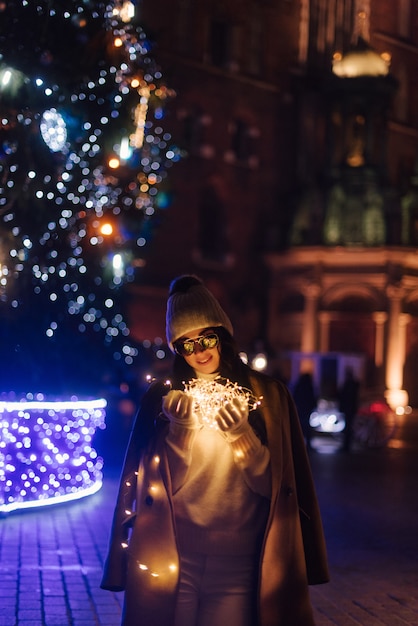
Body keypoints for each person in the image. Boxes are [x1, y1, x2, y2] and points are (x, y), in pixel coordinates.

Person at [101, 275, 329, 626]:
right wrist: (181, 432)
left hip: (240, 558)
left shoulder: (265, 396)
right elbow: (161, 489)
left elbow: (272, 487)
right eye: (186, 345)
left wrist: (241, 434)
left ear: (222, 335)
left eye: (206, 338)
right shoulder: (164, 400)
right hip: (174, 555)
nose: (200, 351)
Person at [292, 371, 317, 450]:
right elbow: (312, 397)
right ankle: (306, 443)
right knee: (306, 426)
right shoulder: (309, 386)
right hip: (306, 408)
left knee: (301, 426)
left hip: (301, 408)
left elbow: (295, 396)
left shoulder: (300, 385)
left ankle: (300, 443)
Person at [338, 367, 360, 452]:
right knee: (348, 426)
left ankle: (346, 445)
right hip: (350, 409)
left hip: (348, 409)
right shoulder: (352, 385)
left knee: (348, 427)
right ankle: (347, 445)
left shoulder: (349, 384)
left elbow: (345, 397)